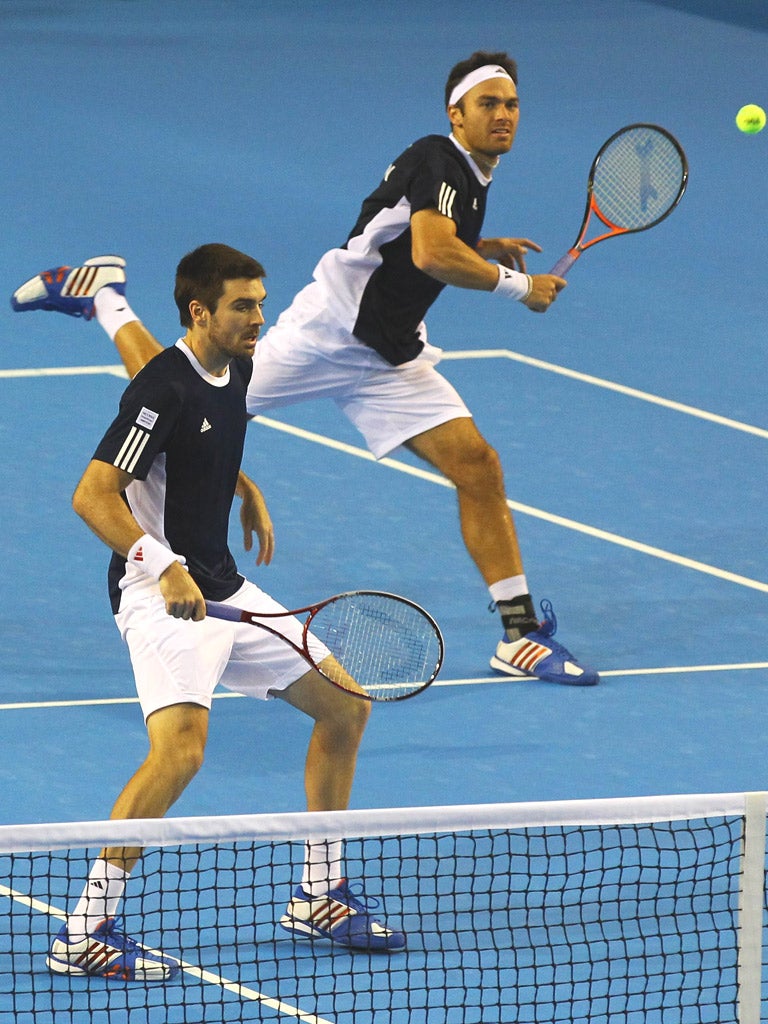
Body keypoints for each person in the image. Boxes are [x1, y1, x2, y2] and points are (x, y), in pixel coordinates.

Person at [11, 50, 598, 687]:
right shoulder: (440, 158)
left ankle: (517, 635)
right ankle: (105, 295)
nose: (503, 115)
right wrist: (517, 285)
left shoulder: (466, 177)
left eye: (511, 104)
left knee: (477, 464)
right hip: (328, 335)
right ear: (456, 113)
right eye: (488, 103)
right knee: (178, 385)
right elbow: (430, 253)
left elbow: (401, 236)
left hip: (388, 356)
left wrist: (479, 247)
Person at [19, 244, 405, 983]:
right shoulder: (162, 391)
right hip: (158, 594)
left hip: (221, 587)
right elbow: (93, 496)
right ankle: (85, 927)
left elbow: (198, 431)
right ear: (200, 312)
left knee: (346, 707)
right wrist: (160, 566)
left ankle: (319, 894)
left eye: (261, 301)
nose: (261, 317)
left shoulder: (235, 364)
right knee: (181, 754)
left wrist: (238, 482)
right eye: (243, 305)